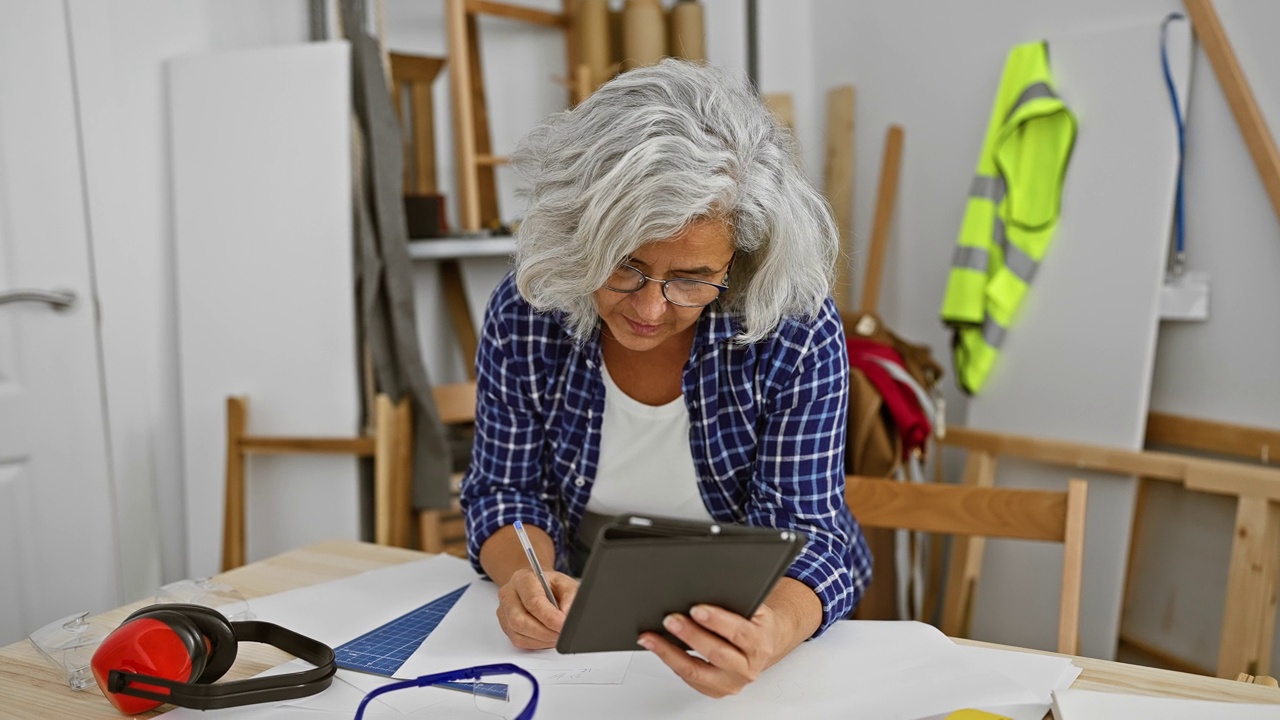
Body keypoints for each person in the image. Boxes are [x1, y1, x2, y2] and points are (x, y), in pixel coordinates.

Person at [460, 58, 871, 698]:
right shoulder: (529, 309)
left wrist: (765, 635)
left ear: (738, 261)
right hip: (582, 618)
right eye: (624, 265)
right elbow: (505, 493)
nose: (651, 310)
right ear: (576, 235)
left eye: (691, 278)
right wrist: (530, 581)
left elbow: (809, 534)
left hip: (760, 612)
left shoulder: (792, 324)